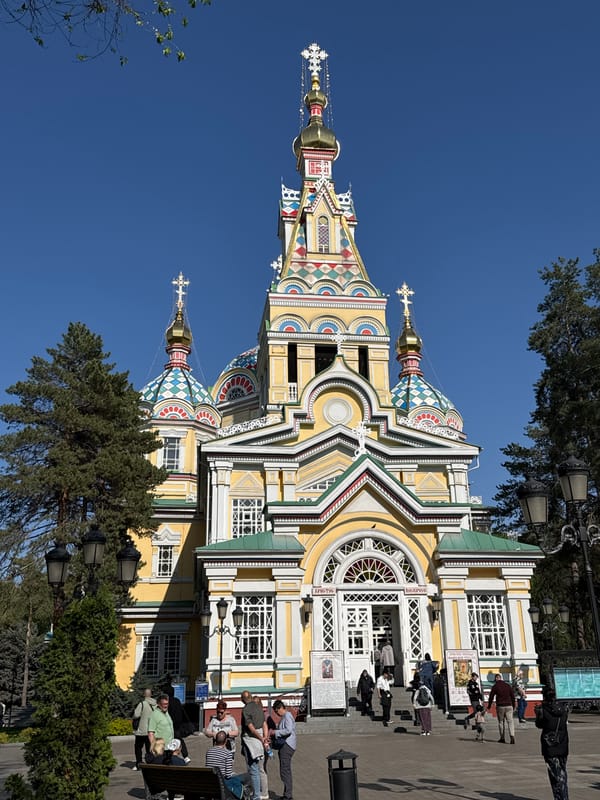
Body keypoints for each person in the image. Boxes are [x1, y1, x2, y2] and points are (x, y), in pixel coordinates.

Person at [535, 688, 569, 800]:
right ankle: (564, 796)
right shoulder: (564, 708)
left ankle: (559, 797)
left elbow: (539, 724)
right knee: (562, 773)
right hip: (563, 744)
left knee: (554, 775)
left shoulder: (542, 709)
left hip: (549, 745)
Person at [206, 730, 252, 799]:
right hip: (222, 782)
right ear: (226, 741)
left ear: (215, 740)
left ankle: (244, 792)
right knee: (249, 776)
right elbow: (228, 775)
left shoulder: (209, 752)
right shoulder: (227, 753)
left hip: (210, 782)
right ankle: (245, 794)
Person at [241, 690, 268, 800]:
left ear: (242, 699)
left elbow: (251, 727)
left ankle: (256, 795)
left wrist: (260, 737)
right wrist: (264, 739)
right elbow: (264, 724)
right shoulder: (259, 708)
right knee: (260, 769)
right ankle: (264, 793)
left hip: (251, 740)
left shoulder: (246, 710)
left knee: (254, 769)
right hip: (260, 740)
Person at [271, 700, 296, 800]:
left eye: (276, 711)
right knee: (285, 770)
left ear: (280, 708)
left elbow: (288, 730)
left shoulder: (287, 716)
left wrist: (275, 732)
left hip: (287, 745)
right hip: (287, 745)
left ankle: (288, 795)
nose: (277, 714)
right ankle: (287, 794)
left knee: (285, 771)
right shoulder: (285, 717)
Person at [487, 673, 516, 744]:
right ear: (501, 678)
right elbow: (512, 696)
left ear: (496, 678)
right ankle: (512, 736)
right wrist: (514, 705)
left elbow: (491, 696)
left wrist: (489, 706)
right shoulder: (507, 685)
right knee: (510, 721)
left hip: (500, 706)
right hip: (509, 706)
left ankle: (502, 738)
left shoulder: (495, 686)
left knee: (501, 722)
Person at [133, 688, 157, 770]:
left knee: (138, 747)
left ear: (144, 695)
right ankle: (150, 764)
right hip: (152, 731)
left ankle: (139, 763)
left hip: (142, 731)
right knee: (149, 748)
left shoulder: (142, 704)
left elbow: (136, 715)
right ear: (151, 695)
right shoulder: (156, 705)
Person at [166, 687, 191, 763]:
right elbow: (182, 712)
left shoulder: (167, 702)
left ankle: (168, 756)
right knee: (180, 740)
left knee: (168, 740)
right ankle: (185, 756)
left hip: (170, 725)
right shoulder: (177, 701)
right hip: (178, 725)